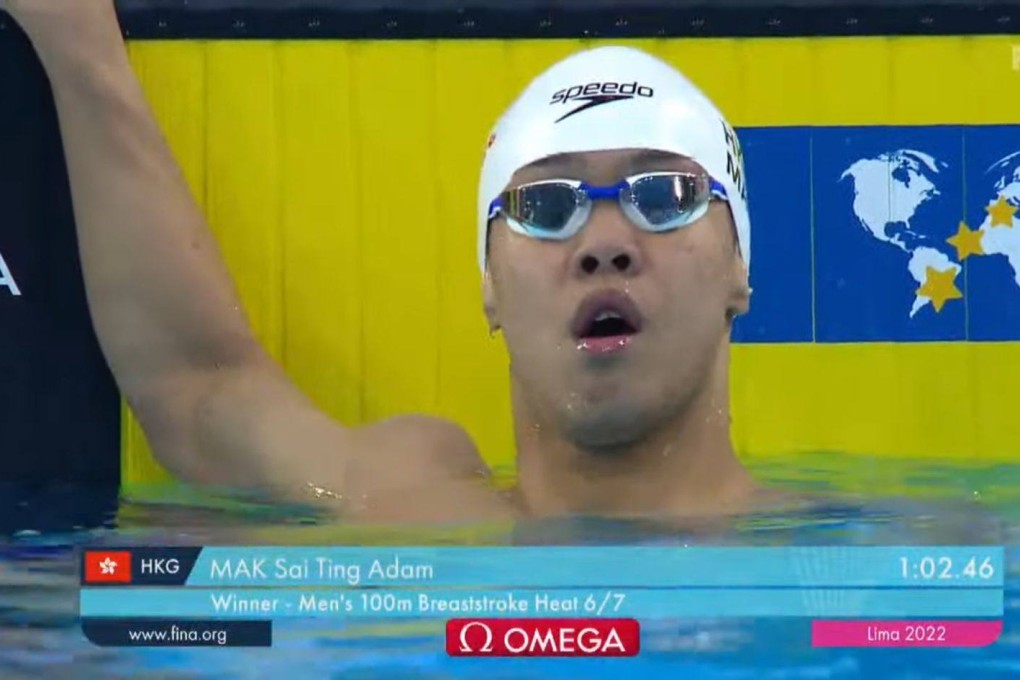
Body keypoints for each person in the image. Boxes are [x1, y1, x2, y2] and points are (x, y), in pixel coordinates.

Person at [3, 0, 781, 523]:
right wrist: (82, 56)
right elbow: (196, 391)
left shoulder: (856, 556)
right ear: (490, 289)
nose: (604, 244)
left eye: (663, 194)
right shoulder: (414, 505)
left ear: (739, 267)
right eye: (546, 208)